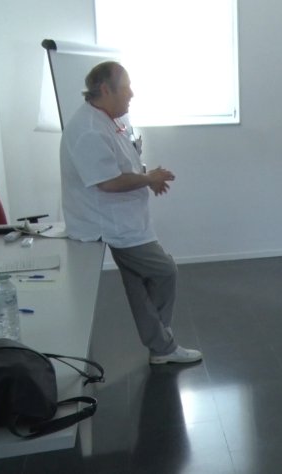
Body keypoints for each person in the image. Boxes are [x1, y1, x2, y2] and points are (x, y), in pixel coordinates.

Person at [60, 61, 202, 365]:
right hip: (108, 222)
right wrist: (148, 179)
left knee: (139, 282)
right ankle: (162, 342)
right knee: (164, 271)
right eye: (125, 88)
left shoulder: (110, 119)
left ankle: (160, 346)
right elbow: (108, 182)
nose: (132, 94)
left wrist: (147, 176)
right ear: (105, 89)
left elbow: (125, 159)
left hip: (125, 218)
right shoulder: (88, 130)